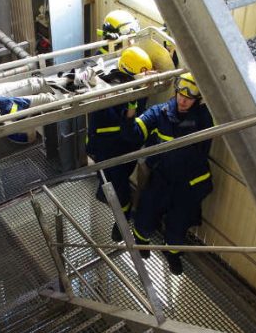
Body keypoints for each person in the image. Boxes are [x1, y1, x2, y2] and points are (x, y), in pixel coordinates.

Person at [121, 73, 213, 275]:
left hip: (188, 183)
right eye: (180, 94)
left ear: (198, 100)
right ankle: (141, 243)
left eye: (189, 98)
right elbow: (134, 133)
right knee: (146, 213)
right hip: (162, 177)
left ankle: (173, 254)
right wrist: (131, 106)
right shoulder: (160, 113)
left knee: (179, 223)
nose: (182, 100)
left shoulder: (203, 119)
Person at [87, 46, 152, 241]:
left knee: (119, 188)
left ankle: (122, 218)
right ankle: (115, 206)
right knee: (109, 180)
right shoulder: (110, 84)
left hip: (121, 149)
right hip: (105, 147)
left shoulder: (131, 87)